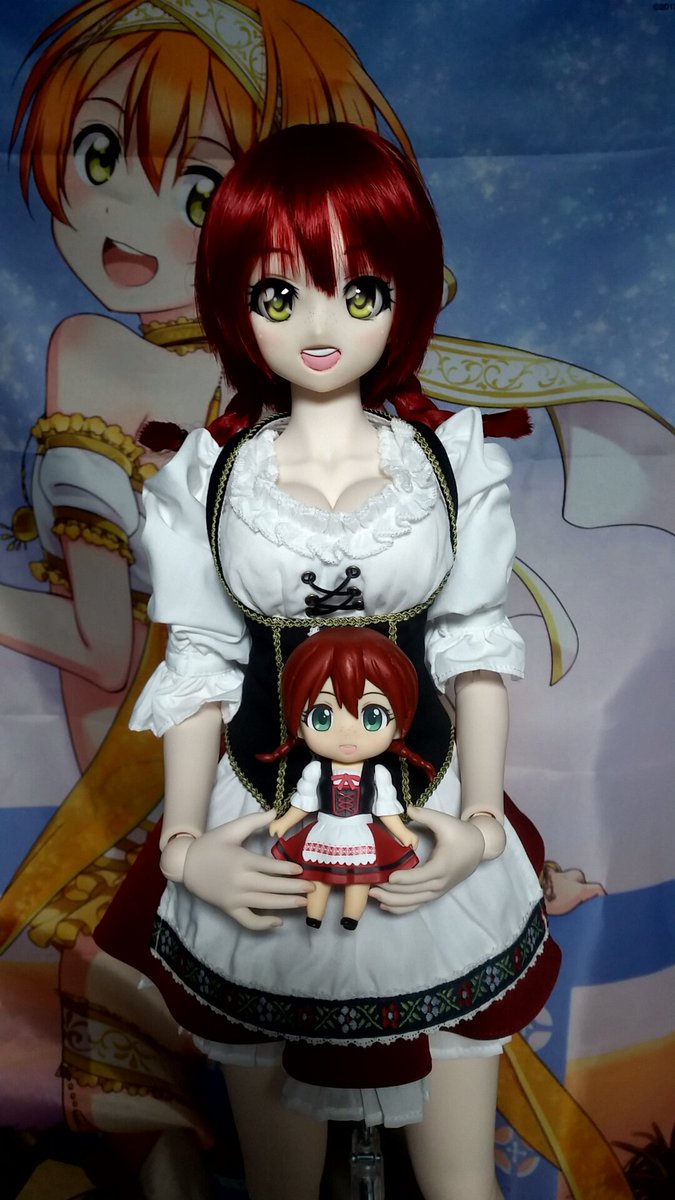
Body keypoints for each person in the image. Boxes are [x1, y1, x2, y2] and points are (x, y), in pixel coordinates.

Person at [96, 122, 560, 1200]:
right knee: (279, 1183)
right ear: (234, 301)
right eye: (278, 294)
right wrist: (184, 849)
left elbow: (473, 649)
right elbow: (202, 662)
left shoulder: (449, 464)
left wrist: (480, 822)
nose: (318, 328)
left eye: (359, 293)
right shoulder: (207, 477)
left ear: (405, 297)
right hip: (257, 830)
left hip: (427, 824)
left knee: (460, 1185)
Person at [0, 0, 414, 1133]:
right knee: (252, 1043)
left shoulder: (136, 362)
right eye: (96, 155)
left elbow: (102, 644)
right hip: (235, 764)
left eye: (196, 192)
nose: (119, 217)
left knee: (215, 1038)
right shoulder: (280, 374)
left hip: (212, 768)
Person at [266, 627, 427, 928]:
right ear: (298, 726)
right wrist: (285, 822)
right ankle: (314, 914)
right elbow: (304, 802)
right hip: (324, 827)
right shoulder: (317, 771)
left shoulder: (377, 774)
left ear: (397, 727)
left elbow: (385, 809)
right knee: (318, 873)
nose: (347, 731)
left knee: (360, 878)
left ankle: (351, 917)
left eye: (372, 717)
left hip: (360, 831)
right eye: (322, 716)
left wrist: (401, 832)